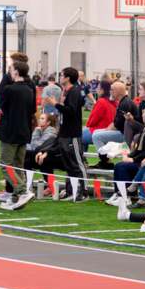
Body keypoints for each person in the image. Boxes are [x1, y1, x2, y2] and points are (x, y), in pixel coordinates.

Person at [0, 60, 36, 211]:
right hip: (24, 130)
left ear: (16, 72)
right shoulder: (30, 90)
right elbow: (32, 110)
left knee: (6, 165)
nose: (9, 73)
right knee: (18, 165)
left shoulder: (9, 89)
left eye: (11, 70)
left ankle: (21, 190)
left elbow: (1, 107)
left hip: (10, 131)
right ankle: (16, 197)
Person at [46, 67, 88, 201]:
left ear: (68, 77)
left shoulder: (74, 91)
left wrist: (56, 104)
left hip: (73, 133)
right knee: (69, 164)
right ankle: (72, 190)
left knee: (77, 163)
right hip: (65, 132)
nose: (60, 77)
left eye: (62, 75)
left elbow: (71, 110)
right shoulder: (67, 91)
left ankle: (83, 191)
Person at [112, 106, 145, 203]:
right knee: (119, 165)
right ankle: (120, 193)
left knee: (122, 167)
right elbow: (138, 149)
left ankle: (127, 195)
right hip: (141, 160)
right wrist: (130, 156)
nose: (142, 116)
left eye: (144, 114)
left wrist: (134, 159)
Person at [91, 81, 138, 169]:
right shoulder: (123, 101)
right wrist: (106, 130)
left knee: (97, 136)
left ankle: (105, 162)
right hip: (123, 132)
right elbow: (116, 122)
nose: (110, 92)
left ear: (118, 91)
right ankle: (106, 159)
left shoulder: (125, 103)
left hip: (127, 136)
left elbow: (117, 125)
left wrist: (106, 130)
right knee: (96, 132)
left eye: (112, 90)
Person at [83, 80, 116, 151]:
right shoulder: (114, 102)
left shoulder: (101, 101)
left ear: (102, 90)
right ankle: (82, 158)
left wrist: (87, 126)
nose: (96, 90)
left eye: (98, 88)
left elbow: (92, 121)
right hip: (110, 130)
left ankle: (81, 159)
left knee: (78, 136)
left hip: (99, 130)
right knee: (82, 132)